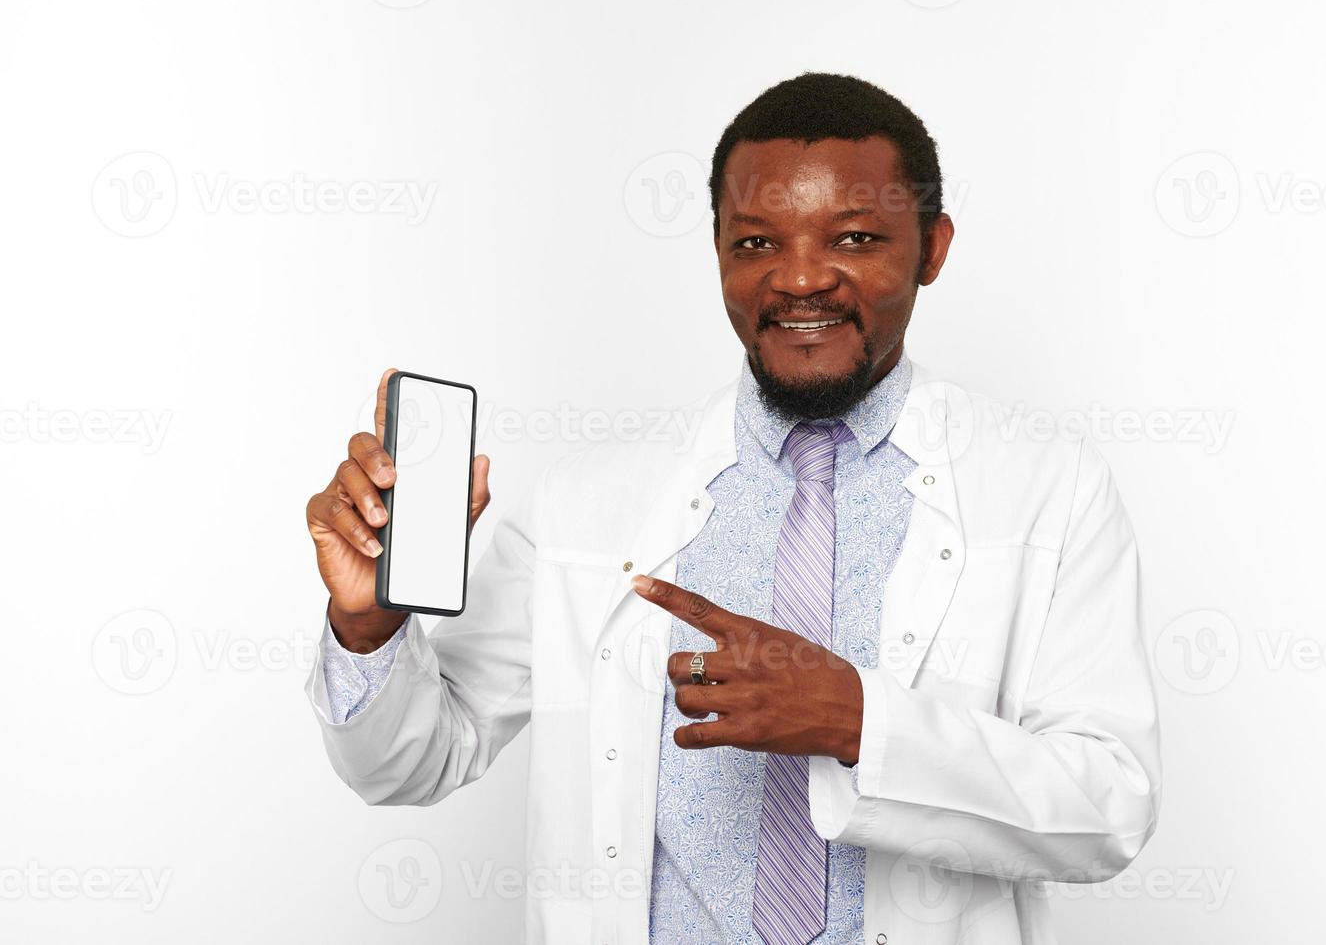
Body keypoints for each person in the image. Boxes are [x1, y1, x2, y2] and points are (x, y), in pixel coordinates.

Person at [303, 72, 1162, 944]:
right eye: (755, 243)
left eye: (856, 237)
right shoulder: (588, 506)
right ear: (717, 249)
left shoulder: (1049, 487)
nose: (799, 280)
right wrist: (368, 631)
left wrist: (862, 722)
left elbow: (1110, 804)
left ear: (932, 249)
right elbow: (413, 762)